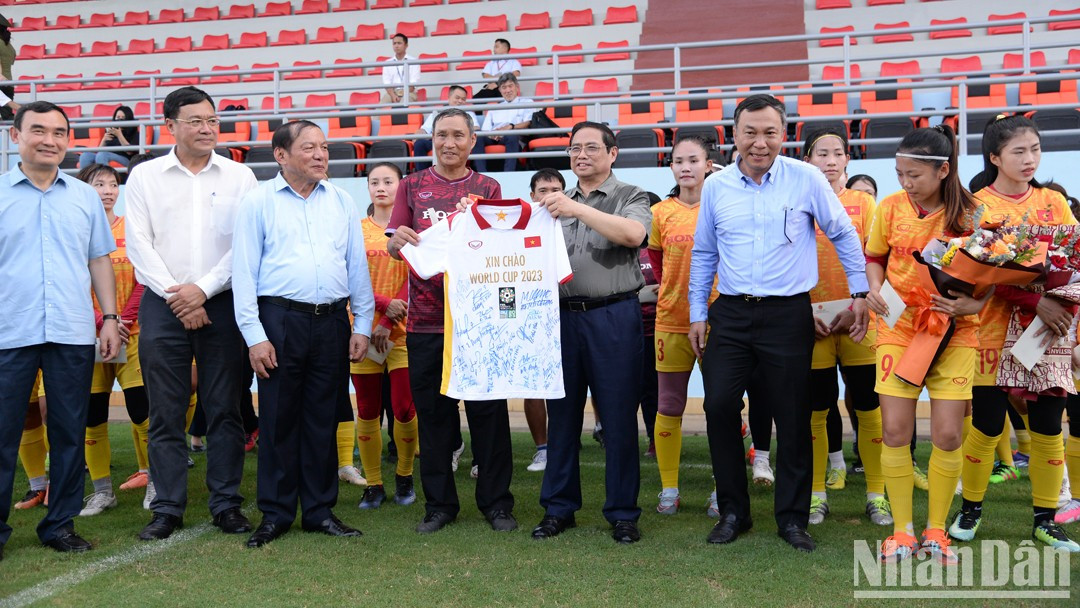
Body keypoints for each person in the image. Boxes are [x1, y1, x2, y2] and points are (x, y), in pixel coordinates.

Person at [688, 94, 869, 553]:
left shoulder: (806, 178)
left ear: (783, 134)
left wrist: (861, 292)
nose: (760, 142)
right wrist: (698, 313)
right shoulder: (717, 186)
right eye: (750, 132)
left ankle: (791, 519)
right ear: (734, 135)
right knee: (718, 407)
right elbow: (705, 253)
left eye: (770, 132)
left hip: (789, 313)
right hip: (730, 313)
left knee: (792, 417)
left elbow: (843, 233)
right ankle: (734, 512)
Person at [125, 86, 259, 541]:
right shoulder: (144, 176)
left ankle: (226, 505)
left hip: (221, 302)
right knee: (166, 411)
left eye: (212, 120)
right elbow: (138, 243)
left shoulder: (240, 177)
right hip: (163, 304)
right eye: (196, 121)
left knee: (225, 410)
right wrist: (179, 296)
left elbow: (246, 245)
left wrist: (201, 290)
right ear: (171, 126)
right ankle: (167, 508)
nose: (207, 128)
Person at [232, 120, 373, 548]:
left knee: (322, 419)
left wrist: (362, 323)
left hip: (332, 322)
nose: (320, 155)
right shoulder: (258, 202)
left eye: (324, 148)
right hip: (279, 322)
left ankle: (319, 511)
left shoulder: (343, 201)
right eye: (309, 148)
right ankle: (275, 514)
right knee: (277, 420)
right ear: (281, 155)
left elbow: (356, 267)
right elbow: (244, 273)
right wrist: (255, 335)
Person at [949, 115, 1080, 552]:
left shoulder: (1053, 202)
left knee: (1047, 427)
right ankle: (970, 508)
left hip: (1047, 332)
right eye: (1018, 151)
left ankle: (1046, 519)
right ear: (994, 157)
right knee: (987, 425)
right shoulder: (977, 205)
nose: (1029, 159)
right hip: (990, 329)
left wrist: (1059, 304)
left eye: (1035, 150)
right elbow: (980, 273)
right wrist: (1031, 299)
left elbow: (1070, 261)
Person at [0, 101, 121, 558]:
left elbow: (98, 260)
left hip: (71, 331)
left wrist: (108, 318)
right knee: (3, 431)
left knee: (70, 430)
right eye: (39, 130)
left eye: (59, 132)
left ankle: (60, 524)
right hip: (8, 331)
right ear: (17, 137)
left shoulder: (84, 197)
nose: (49, 140)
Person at [386, 108, 515, 534]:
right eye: (442, 135)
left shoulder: (488, 186)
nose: (449, 143)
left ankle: (497, 504)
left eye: (458, 135)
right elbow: (393, 247)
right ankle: (439, 506)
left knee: (489, 417)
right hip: (425, 323)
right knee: (436, 419)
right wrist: (398, 240)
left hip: (478, 323)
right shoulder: (412, 185)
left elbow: (501, 249)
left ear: (472, 141)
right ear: (432, 139)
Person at [864, 125, 983, 564]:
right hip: (899, 328)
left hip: (954, 333)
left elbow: (993, 273)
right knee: (895, 431)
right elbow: (874, 258)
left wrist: (972, 302)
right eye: (899, 173)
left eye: (913, 174)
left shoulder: (972, 213)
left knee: (949, 434)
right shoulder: (891, 208)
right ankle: (901, 532)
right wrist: (874, 288)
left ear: (943, 171)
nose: (905, 183)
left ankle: (937, 532)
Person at [531, 121, 652, 544]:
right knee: (561, 417)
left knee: (617, 418)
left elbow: (634, 234)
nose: (581, 155)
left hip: (613, 316)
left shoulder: (630, 195)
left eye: (590, 148)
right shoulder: (549, 205)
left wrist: (576, 207)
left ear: (612, 153)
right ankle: (558, 509)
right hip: (560, 318)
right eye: (574, 149)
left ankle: (622, 513)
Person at [798, 128, 892, 527]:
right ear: (808, 160)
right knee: (816, 410)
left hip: (859, 321)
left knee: (869, 409)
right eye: (822, 153)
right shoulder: (796, 201)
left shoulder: (865, 203)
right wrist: (803, 313)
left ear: (848, 160)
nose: (831, 160)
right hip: (813, 321)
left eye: (838, 153)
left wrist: (863, 304)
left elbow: (877, 260)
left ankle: (877, 494)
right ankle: (817, 494)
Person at [74, 163, 153, 517]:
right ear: (83, 190)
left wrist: (123, 320)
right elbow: (72, 283)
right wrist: (99, 321)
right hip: (87, 337)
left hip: (131, 335)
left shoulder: (131, 229)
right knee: (93, 415)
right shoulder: (75, 232)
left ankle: (156, 483)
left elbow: (144, 278)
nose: (107, 190)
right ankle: (102, 491)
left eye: (112, 184)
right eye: (98, 184)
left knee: (142, 410)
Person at [646, 137, 716, 515]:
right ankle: (669, 489)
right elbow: (657, 263)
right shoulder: (660, 213)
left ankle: (723, 487)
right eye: (678, 161)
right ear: (671, 167)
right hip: (671, 320)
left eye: (693, 160)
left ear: (709, 164)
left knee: (721, 406)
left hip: (718, 321)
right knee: (669, 404)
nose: (685, 166)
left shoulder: (722, 205)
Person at [354, 162, 419, 509]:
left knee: (404, 409)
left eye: (388, 181)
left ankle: (405, 478)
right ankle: (374, 483)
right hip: (363, 333)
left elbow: (420, 278)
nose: (381, 187)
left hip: (403, 333)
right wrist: (381, 306)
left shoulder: (410, 231)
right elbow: (349, 279)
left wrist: (392, 317)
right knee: (366, 409)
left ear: (400, 187)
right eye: (374, 182)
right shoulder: (356, 230)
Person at [520, 168, 567, 473]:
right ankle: (543, 448)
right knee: (533, 384)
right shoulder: (519, 227)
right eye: (543, 190)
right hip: (531, 315)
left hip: (571, 312)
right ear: (532, 196)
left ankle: (566, 444)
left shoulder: (577, 220)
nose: (549, 196)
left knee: (568, 383)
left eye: (556, 190)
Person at [412, 85, 481, 171]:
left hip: (459, 143)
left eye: (463, 99)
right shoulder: (437, 112)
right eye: (457, 98)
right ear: (449, 97)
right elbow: (424, 130)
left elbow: (476, 128)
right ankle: (422, 177)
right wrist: (418, 134)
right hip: (439, 142)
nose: (460, 101)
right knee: (419, 143)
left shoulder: (469, 113)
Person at [476, 74, 533, 173]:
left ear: (517, 86)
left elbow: (528, 123)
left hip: (514, 136)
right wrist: (493, 135)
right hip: (494, 137)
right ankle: (482, 174)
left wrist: (510, 127)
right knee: (477, 137)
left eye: (510, 86)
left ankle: (508, 174)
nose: (507, 90)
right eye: (504, 87)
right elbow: (485, 129)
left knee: (511, 136)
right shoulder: (495, 108)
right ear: (500, 90)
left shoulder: (527, 102)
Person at [382, 33, 420, 103]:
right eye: (394, 43)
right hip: (392, 93)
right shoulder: (387, 63)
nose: (396, 46)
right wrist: (393, 95)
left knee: (405, 101)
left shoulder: (414, 61)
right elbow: (387, 84)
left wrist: (403, 94)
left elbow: (413, 84)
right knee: (382, 104)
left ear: (406, 45)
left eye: (399, 43)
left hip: (409, 92)